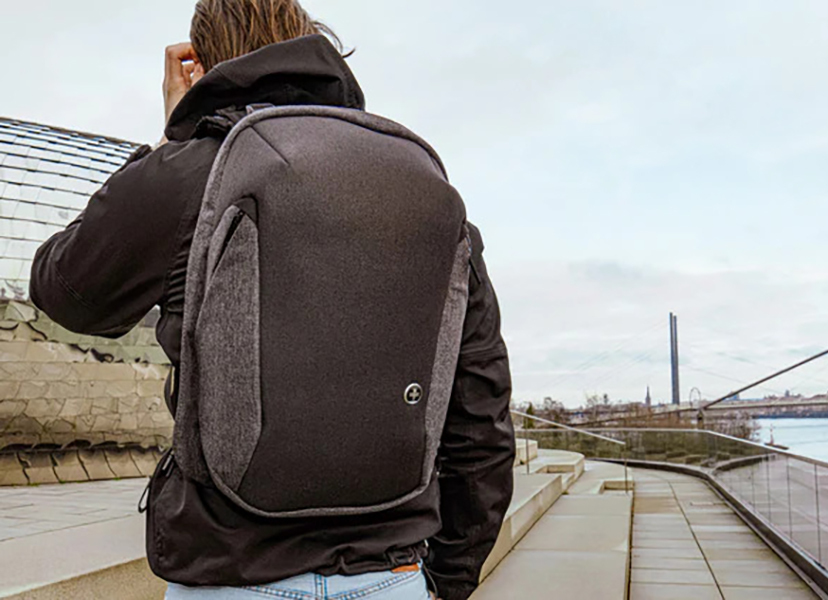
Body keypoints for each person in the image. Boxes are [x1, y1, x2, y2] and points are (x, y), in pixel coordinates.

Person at [28, 1, 515, 600]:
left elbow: (66, 291)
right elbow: (480, 418)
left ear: (202, 65)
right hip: (391, 572)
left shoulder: (196, 168)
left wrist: (172, 133)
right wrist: (449, 579)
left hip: (231, 574)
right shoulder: (426, 190)